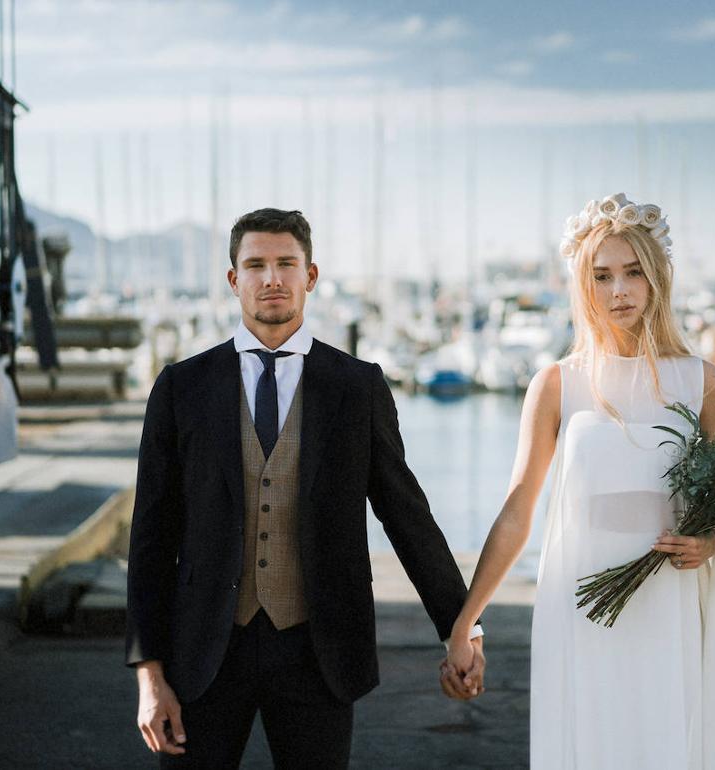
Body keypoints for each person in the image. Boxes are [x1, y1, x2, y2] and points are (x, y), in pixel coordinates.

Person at [125, 208, 485, 768]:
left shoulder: (357, 387)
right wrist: (150, 675)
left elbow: (406, 515)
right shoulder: (182, 387)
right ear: (233, 280)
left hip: (319, 652)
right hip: (202, 653)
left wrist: (460, 626)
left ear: (310, 276)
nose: (272, 278)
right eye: (256, 265)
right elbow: (150, 536)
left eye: (286, 264)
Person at [444, 194, 715, 768]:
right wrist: (465, 623)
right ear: (584, 287)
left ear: (657, 279)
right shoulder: (557, 383)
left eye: (633, 273)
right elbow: (518, 509)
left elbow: (714, 506)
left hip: (670, 596)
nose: (618, 291)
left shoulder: (700, 381)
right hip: (581, 603)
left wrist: (709, 542)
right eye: (601, 277)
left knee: (666, 741)